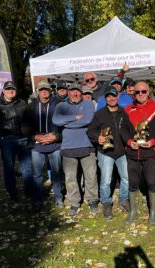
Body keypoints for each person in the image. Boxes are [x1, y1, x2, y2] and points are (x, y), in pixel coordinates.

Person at [121, 81, 155, 225]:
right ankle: (133, 211)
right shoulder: (128, 109)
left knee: (152, 183)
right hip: (133, 153)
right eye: (137, 92)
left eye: (143, 91)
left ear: (148, 92)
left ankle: (153, 213)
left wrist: (153, 142)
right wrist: (129, 142)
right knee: (133, 183)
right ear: (133, 93)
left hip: (150, 153)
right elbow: (122, 130)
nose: (140, 94)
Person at [53, 82, 98, 216]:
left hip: (87, 144)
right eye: (72, 91)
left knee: (91, 175)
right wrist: (75, 117)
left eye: (78, 91)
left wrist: (66, 123)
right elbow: (55, 120)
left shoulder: (88, 104)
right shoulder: (61, 105)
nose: (75, 94)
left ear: (81, 93)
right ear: (68, 92)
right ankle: (74, 202)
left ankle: (92, 200)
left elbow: (88, 120)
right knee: (70, 177)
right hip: (68, 146)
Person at [87, 86, 130, 220]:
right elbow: (90, 131)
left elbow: (129, 129)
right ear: (106, 99)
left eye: (113, 96)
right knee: (106, 180)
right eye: (108, 96)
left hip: (121, 151)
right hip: (106, 153)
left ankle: (124, 199)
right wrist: (97, 137)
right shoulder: (99, 114)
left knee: (126, 178)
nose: (111, 98)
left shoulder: (123, 112)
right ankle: (106, 203)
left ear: (118, 97)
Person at [22, 80, 63, 210]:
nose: (44, 91)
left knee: (56, 173)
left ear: (50, 90)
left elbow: (65, 124)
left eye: (46, 89)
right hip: (37, 144)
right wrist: (34, 136)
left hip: (54, 143)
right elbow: (24, 126)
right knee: (37, 174)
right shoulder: (31, 106)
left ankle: (58, 198)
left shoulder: (58, 104)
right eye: (41, 89)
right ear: (38, 91)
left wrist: (56, 136)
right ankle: (38, 199)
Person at [0, 81, 33, 201]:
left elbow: (29, 121)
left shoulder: (22, 104)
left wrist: (31, 137)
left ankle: (29, 190)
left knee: (27, 167)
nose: (11, 91)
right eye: (8, 89)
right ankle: (12, 193)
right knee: (9, 168)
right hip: (5, 141)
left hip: (23, 139)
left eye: (13, 89)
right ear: (3, 91)